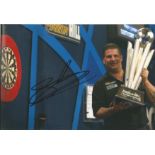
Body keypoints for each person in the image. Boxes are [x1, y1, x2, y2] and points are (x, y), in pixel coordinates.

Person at [92, 43, 155, 130]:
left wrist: (145, 81)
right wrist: (115, 109)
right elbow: (97, 112)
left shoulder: (137, 76)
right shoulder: (100, 84)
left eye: (115, 56)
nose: (113, 59)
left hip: (142, 128)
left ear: (121, 58)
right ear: (104, 60)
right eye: (109, 56)